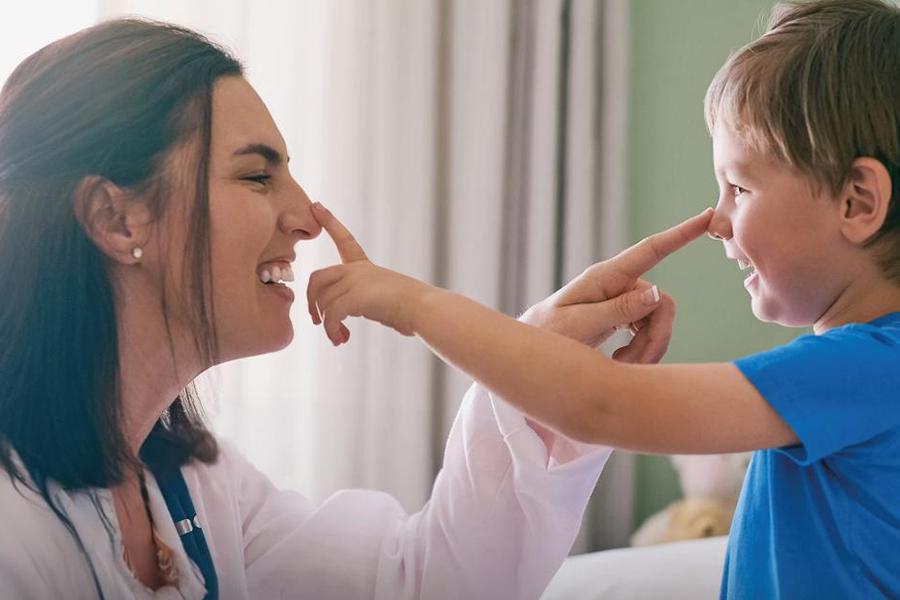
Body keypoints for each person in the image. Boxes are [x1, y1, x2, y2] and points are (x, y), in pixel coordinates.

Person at [0, 18, 700, 600]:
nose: (307, 217)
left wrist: (540, 368)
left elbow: (419, 586)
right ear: (116, 220)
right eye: (255, 175)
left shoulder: (198, 486)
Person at [306, 0, 900, 597]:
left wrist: (416, 306)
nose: (718, 220)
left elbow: (602, 406)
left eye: (739, 187)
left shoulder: (869, 368)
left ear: (857, 202)